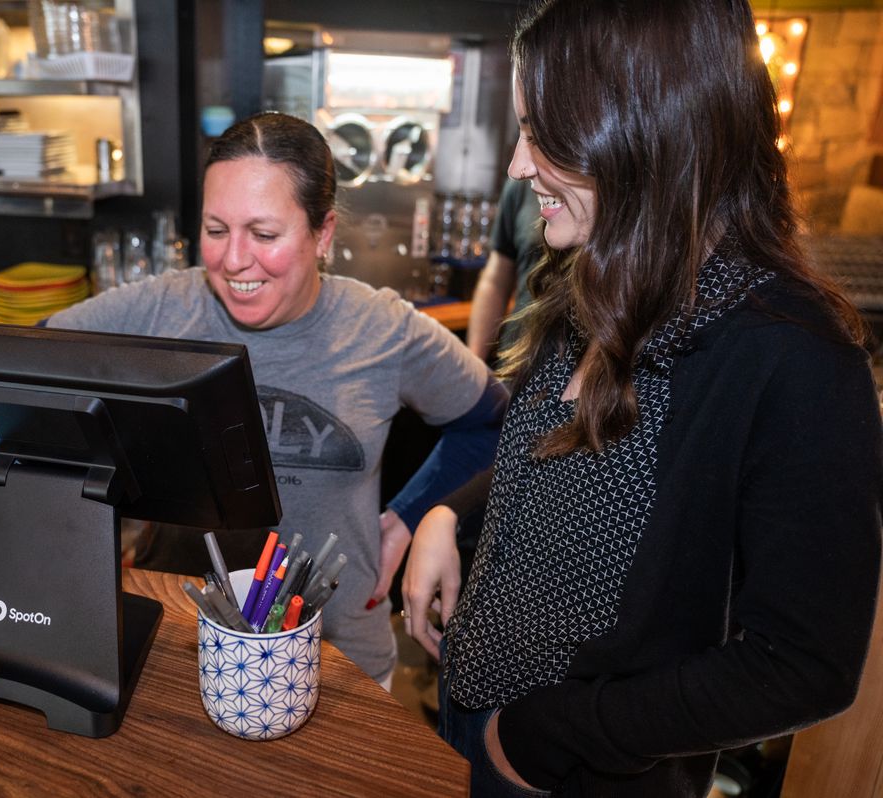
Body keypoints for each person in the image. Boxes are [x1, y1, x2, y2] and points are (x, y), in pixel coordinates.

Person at [401, 1, 883, 795]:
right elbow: (561, 458)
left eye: (542, 134)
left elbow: (801, 667)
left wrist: (546, 737)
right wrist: (453, 514)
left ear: (646, 129)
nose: (519, 166)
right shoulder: (591, 275)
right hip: (470, 718)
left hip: (571, 770)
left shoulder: (796, 356)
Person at [48, 111, 509, 688]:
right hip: (171, 650)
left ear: (324, 234)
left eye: (264, 234)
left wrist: (414, 515)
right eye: (216, 231)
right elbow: (21, 369)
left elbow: (492, 424)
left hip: (338, 660)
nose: (235, 259)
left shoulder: (383, 330)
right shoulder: (161, 309)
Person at [466, 177, 543, 364]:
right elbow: (495, 279)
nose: (516, 168)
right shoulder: (523, 182)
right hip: (517, 357)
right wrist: (474, 364)